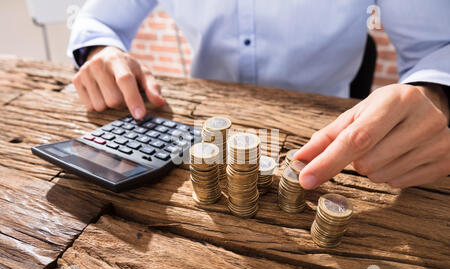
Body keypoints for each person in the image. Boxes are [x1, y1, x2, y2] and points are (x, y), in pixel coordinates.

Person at [68, 0, 450, 190]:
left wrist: (436, 91)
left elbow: (438, 44)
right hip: (204, 117)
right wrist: (101, 50)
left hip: (329, 121)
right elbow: (97, 18)